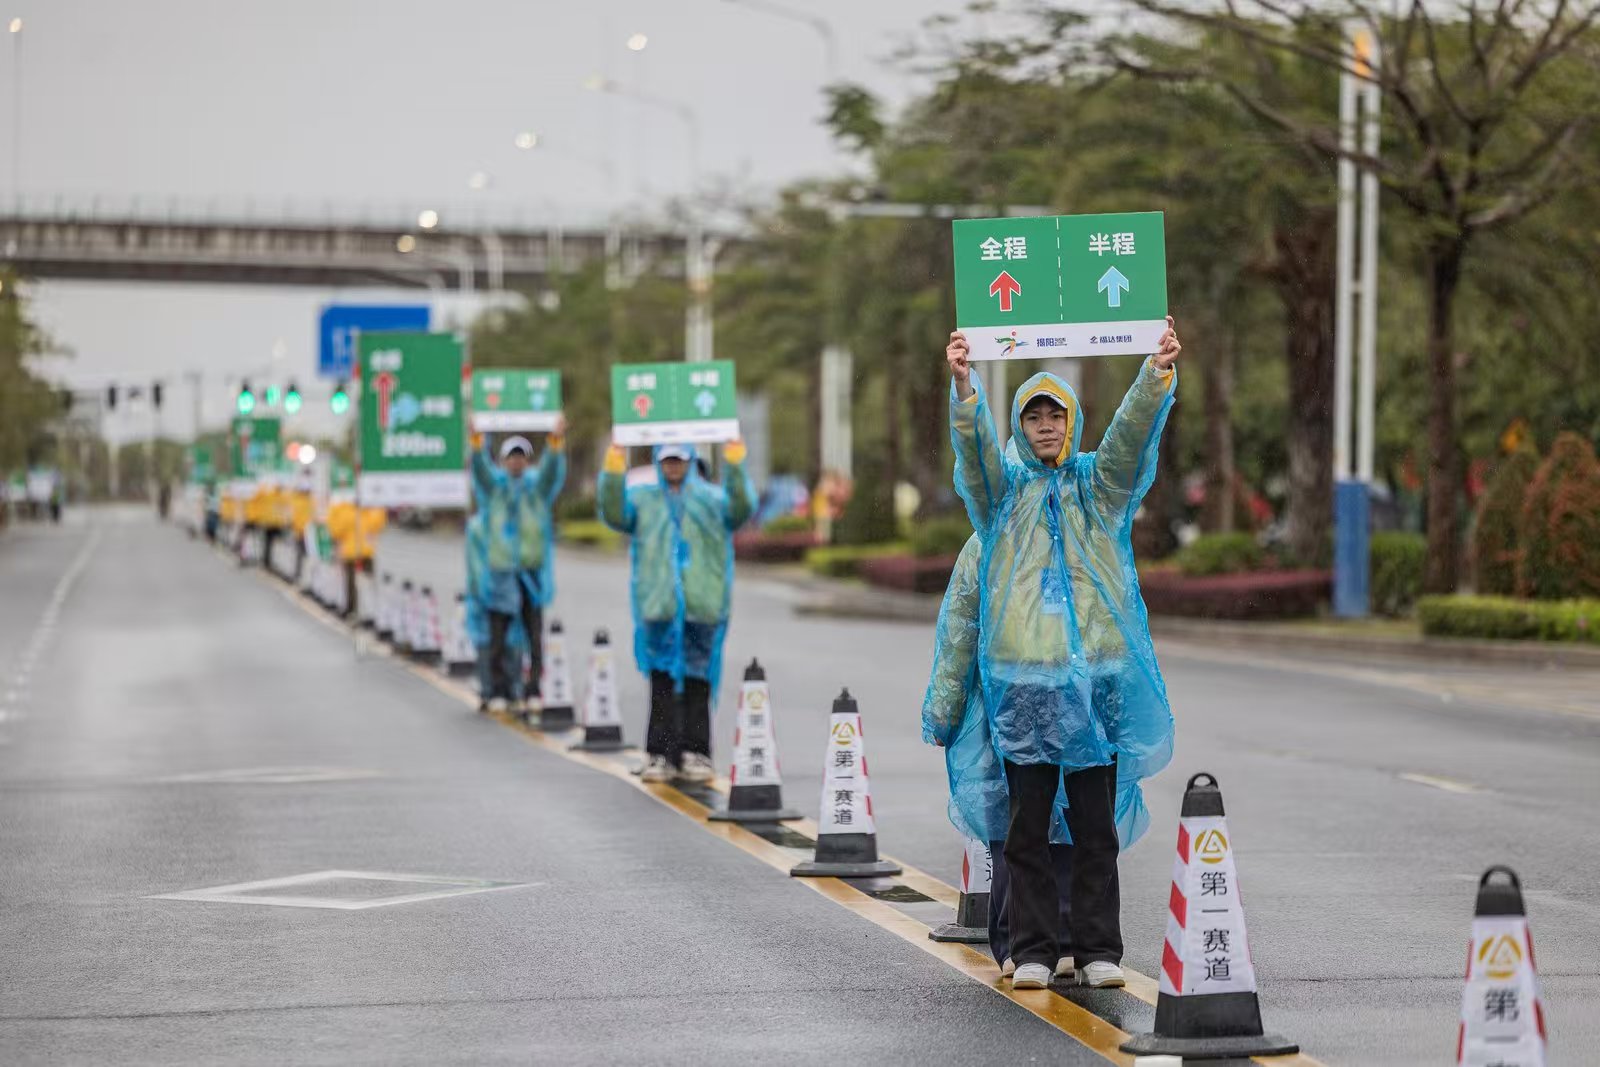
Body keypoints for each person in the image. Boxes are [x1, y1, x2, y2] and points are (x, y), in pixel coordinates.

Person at [944, 317, 1182, 991]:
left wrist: (1155, 371)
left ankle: (1097, 947)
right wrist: (964, 387)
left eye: (1056, 414)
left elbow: (1132, 439)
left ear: (1072, 421)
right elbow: (975, 454)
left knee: (1092, 827)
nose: (1046, 425)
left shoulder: (1099, 492)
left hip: (1096, 692)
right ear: (1022, 426)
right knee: (1026, 832)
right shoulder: (1002, 499)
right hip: (1024, 692)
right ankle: (1036, 951)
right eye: (1034, 415)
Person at [924, 533, 1080, 983]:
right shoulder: (1069, 524)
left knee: (1015, 819)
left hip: (1006, 702)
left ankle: (1017, 942)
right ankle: (1060, 938)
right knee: (1058, 817)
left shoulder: (988, 537)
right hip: (1061, 699)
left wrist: (944, 709)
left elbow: (959, 633)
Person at [597, 442, 755, 783]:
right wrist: (613, 465)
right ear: (658, 460)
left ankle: (696, 752)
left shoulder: (712, 501)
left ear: (690, 461)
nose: (673, 466)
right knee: (662, 680)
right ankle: (660, 754)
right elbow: (613, 513)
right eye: (667, 459)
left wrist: (735, 462)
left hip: (702, 601)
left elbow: (741, 509)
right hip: (659, 603)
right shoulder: (643, 499)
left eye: (679, 460)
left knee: (697, 679)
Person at [471, 428, 566, 715]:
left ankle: (532, 688)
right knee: (497, 634)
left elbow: (551, 471)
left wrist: (555, 442)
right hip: (501, 573)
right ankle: (498, 689)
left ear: (527, 461)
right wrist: (476, 444)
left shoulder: (537, 491)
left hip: (530, 572)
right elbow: (480, 470)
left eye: (521, 457)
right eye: (511, 457)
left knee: (533, 634)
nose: (516, 462)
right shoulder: (494, 491)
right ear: (502, 461)